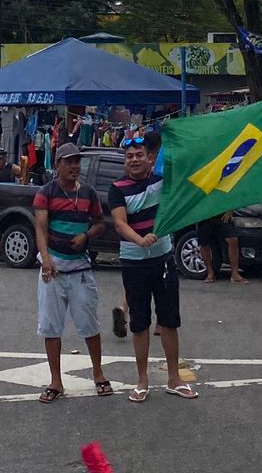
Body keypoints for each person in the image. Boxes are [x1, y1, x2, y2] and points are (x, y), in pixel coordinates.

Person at [108, 138, 194, 402]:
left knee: (169, 321)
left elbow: (185, 174)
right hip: (134, 264)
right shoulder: (117, 189)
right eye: (129, 156)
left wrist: (176, 136)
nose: (134, 159)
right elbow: (120, 224)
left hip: (164, 260)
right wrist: (139, 239)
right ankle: (142, 380)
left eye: (139, 155)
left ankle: (173, 378)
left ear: (149, 158)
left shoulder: (161, 183)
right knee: (140, 323)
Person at [33, 143, 111, 402]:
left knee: (89, 323)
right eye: (69, 162)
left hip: (80, 268)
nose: (74, 166)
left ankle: (98, 374)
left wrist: (86, 235)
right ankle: (56, 381)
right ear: (57, 165)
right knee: (51, 326)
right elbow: (40, 229)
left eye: (77, 161)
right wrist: (46, 259)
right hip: (53, 268)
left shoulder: (88, 193)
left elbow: (100, 224)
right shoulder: (46, 192)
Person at [196, 208, 247, 284]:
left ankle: (235, 274)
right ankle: (210, 273)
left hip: (222, 215)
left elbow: (230, 196)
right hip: (204, 216)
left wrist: (230, 210)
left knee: (232, 240)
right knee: (204, 243)